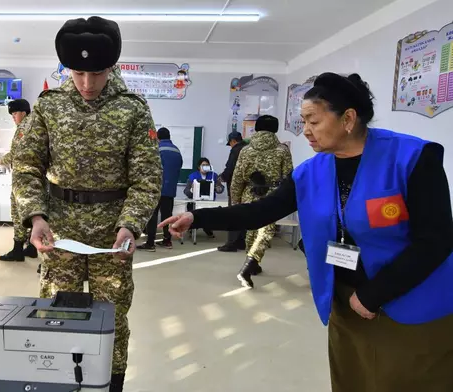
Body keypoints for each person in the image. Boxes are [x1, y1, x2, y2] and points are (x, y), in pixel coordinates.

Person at [160, 73, 453, 392]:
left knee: (410, 380)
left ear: (349, 119)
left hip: (410, 301)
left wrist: (375, 294)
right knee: (353, 379)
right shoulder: (312, 171)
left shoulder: (411, 158)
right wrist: (196, 217)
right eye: (303, 121)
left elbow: (435, 240)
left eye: (313, 121)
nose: (306, 131)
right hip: (347, 301)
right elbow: (262, 210)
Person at [12, 16, 162, 392]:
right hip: (58, 232)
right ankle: (56, 383)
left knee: (112, 319)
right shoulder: (49, 106)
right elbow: (27, 167)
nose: (87, 84)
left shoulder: (133, 108)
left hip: (112, 237)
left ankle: (111, 386)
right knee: (54, 314)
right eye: (78, 72)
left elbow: (147, 177)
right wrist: (35, 216)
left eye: (96, 73)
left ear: (112, 67)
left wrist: (130, 224)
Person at [231, 115, 293, 288]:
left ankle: (252, 262)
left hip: (249, 193)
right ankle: (251, 263)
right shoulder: (282, 150)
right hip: (273, 195)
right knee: (265, 231)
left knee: (251, 230)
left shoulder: (245, 150)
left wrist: (235, 202)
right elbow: (289, 176)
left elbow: (237, 179)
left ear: (256, 129)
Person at [0, 99, 38, 262]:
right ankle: (31, 247)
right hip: (33, 177)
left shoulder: (24, 128)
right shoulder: (34, 125)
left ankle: (17, 250)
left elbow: (17, 153)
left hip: (23, 179)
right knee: (31, 213)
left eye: (14, 113)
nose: (13, 117)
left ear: (24, 112)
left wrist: (1, 160)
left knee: (18, 214)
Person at [137, 127, 183, 251]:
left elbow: (150, 168)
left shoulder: (157, 149)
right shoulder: (177, 150)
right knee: (167, 216)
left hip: (157, 188)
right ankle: (167, 241)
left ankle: (150, 243)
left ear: (158, 137)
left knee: (152, 216)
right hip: (171, 190)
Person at [218, 130, 248, 252]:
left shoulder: (235, 150)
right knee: (243, 214)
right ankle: (241, 242)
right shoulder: (248, 149)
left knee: (233, 214)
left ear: (233, 141)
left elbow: (230, 168)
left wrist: (222, 177)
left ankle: (231, 244)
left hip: (236, 188)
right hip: (247, 189)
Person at [183, 157, 224, 239]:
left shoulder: (213, 175)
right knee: (194, 210)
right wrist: (192, 190)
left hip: (209, 202)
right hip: (196, 202)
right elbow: (186, 191)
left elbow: (221, 189)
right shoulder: (193, 176)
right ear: (199, 167)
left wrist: (217, 187)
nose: (205, 167)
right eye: (203, 165)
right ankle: (194, 228)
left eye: (207, 165)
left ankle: (207, 228)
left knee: (210, 212)